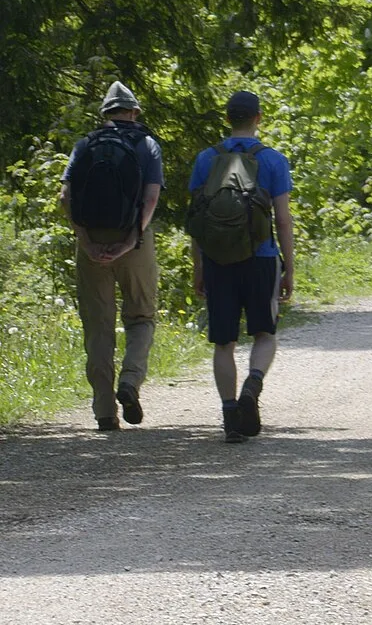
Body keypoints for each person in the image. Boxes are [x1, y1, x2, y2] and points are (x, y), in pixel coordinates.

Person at [188, 90, 295, 443]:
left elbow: (197, 220)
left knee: (224, 342)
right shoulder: (273, 160)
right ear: (258, 118)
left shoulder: (206, 159)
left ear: (228, 118)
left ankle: (230, 414)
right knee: (265, 333)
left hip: (218, 260)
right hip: (261, 258)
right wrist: (288, 267)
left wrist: (198, 265)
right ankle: (254, 383)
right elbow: (282, 219)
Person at [60, 82, 164, 432]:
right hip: (134, 240)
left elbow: (66, 197)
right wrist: (131, 239)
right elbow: (149, 199)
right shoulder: (147, 145)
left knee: (98, 327)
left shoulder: (85, 145)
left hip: (91, 241)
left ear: (104, 114)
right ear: (134, 112)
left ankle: (104, 412)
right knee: (141, 316)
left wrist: (86, 240)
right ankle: (130, 382)